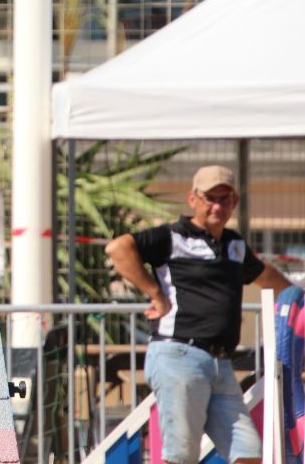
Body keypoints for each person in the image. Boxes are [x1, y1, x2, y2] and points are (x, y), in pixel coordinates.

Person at [106, 165, 292, 464]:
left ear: (235, 202)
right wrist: (155, 293)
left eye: (224, 198)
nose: (217, 206)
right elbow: (118, 248)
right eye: (210, 198)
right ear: (192, 199)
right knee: (181, 456)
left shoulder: (234, 245)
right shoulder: (172, 236)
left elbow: (264, 274)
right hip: (179, 355)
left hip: (220, 363)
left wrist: (298, 297)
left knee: (249, 454)